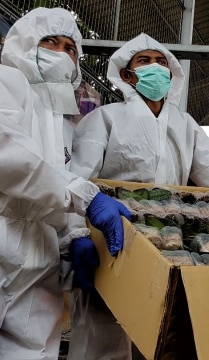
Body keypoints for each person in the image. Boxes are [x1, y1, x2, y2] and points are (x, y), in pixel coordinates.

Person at [67, 32, 209, 359]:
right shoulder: (105, 119)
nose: (156, 67)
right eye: (145, 61)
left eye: (161, 62)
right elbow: (77, 179)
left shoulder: (185, 126)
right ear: (127, 75)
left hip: (168, 242)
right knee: (104, 336)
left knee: (164, 334)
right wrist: (77, 235)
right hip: (114, 240)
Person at [0, 7, 131, 359]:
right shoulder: (5, 83)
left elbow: (50, 194)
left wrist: (73, 238)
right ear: (25, 43)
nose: (61, 54)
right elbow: (7, 155)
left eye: (70, 48)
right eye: (49, 43)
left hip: (37, 265)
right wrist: (86, 198)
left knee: (32, 352)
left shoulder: (63, 123)